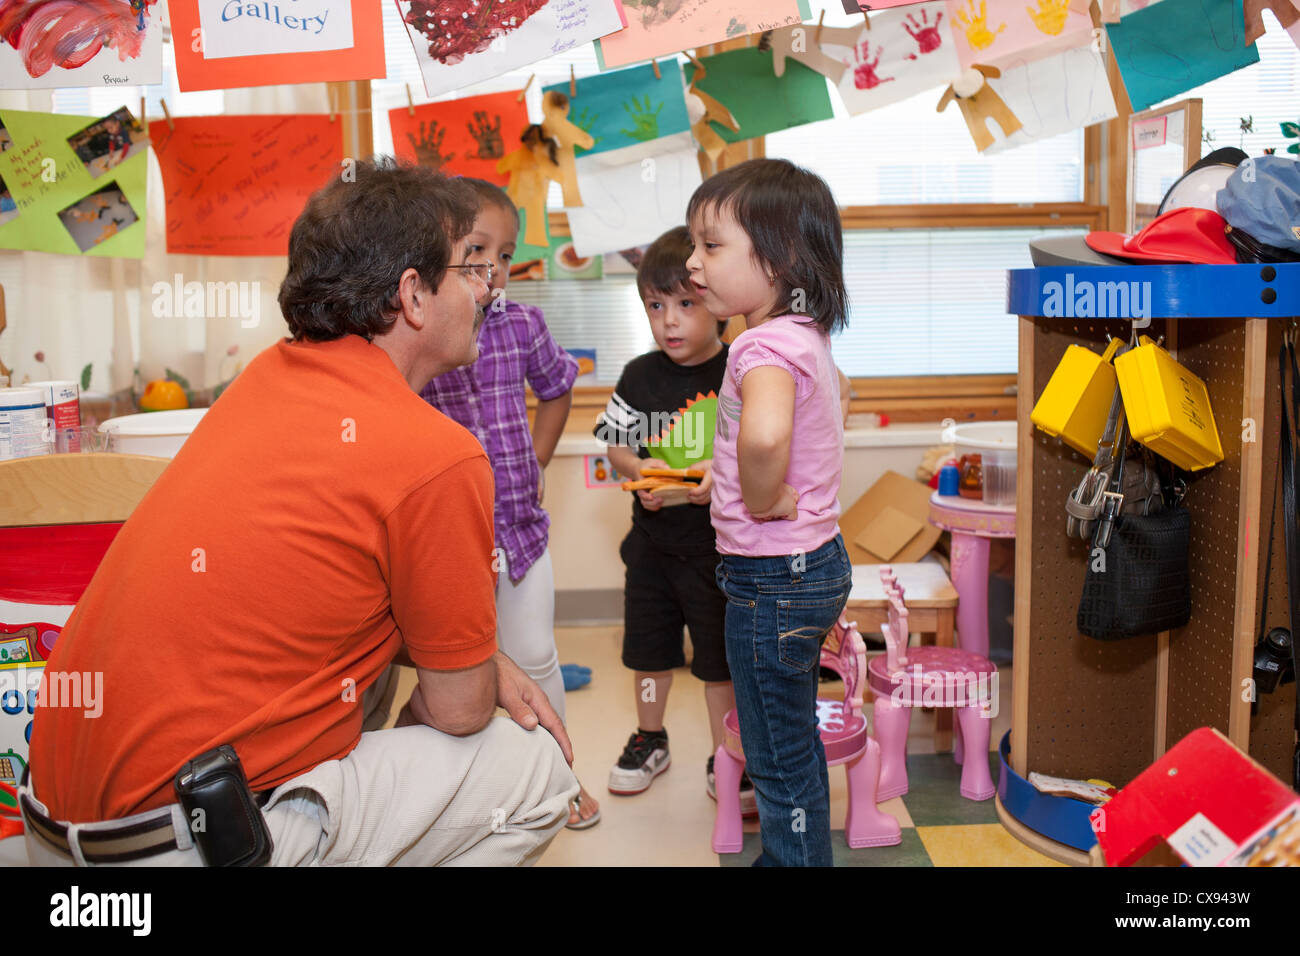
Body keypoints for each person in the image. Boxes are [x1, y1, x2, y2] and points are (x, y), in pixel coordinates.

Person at [21, 158, 578, 867]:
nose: (485, 291)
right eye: (467, 269)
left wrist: (472, 661)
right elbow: (460, 711)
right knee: (533, 768)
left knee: (368, 678)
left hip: (60, 834)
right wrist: (478, 669)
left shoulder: (264, 379)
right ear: (413, 295)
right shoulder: (435, 453)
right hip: (184, 848)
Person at [418, 178, 600, 830]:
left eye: (504, 253)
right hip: (451, 541)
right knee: (457, 678)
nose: (492, 268)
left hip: (521, 530)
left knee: (535, 657)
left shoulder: (522, 322)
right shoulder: (421, 331)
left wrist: (541, 459)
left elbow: (558, 387)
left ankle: (561, 777)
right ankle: (467, 798)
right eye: (476, 249)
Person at [686, 158, 852, 867]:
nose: (693, 264)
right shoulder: (805, 335)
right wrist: (727, 480)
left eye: (711, 246)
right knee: (791, 736)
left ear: (779, 259)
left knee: (775, 754)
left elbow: (764, 437)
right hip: (814, 563)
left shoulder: (758, 347)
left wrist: (758, 495)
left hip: (772, 580)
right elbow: (822, 414)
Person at [594, 226, 754, 813]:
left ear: (715, 303)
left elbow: (761, 445)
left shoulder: (741, 367)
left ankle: (725, 753)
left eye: (685, 304)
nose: (670, 322)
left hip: (719, 555)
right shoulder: (639, 375)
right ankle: (650, 737)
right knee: (648, 653)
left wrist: (724, 469)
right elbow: (614, 447)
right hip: (653, 550)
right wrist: (640, 470)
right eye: (656, 307)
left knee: (717, 662)